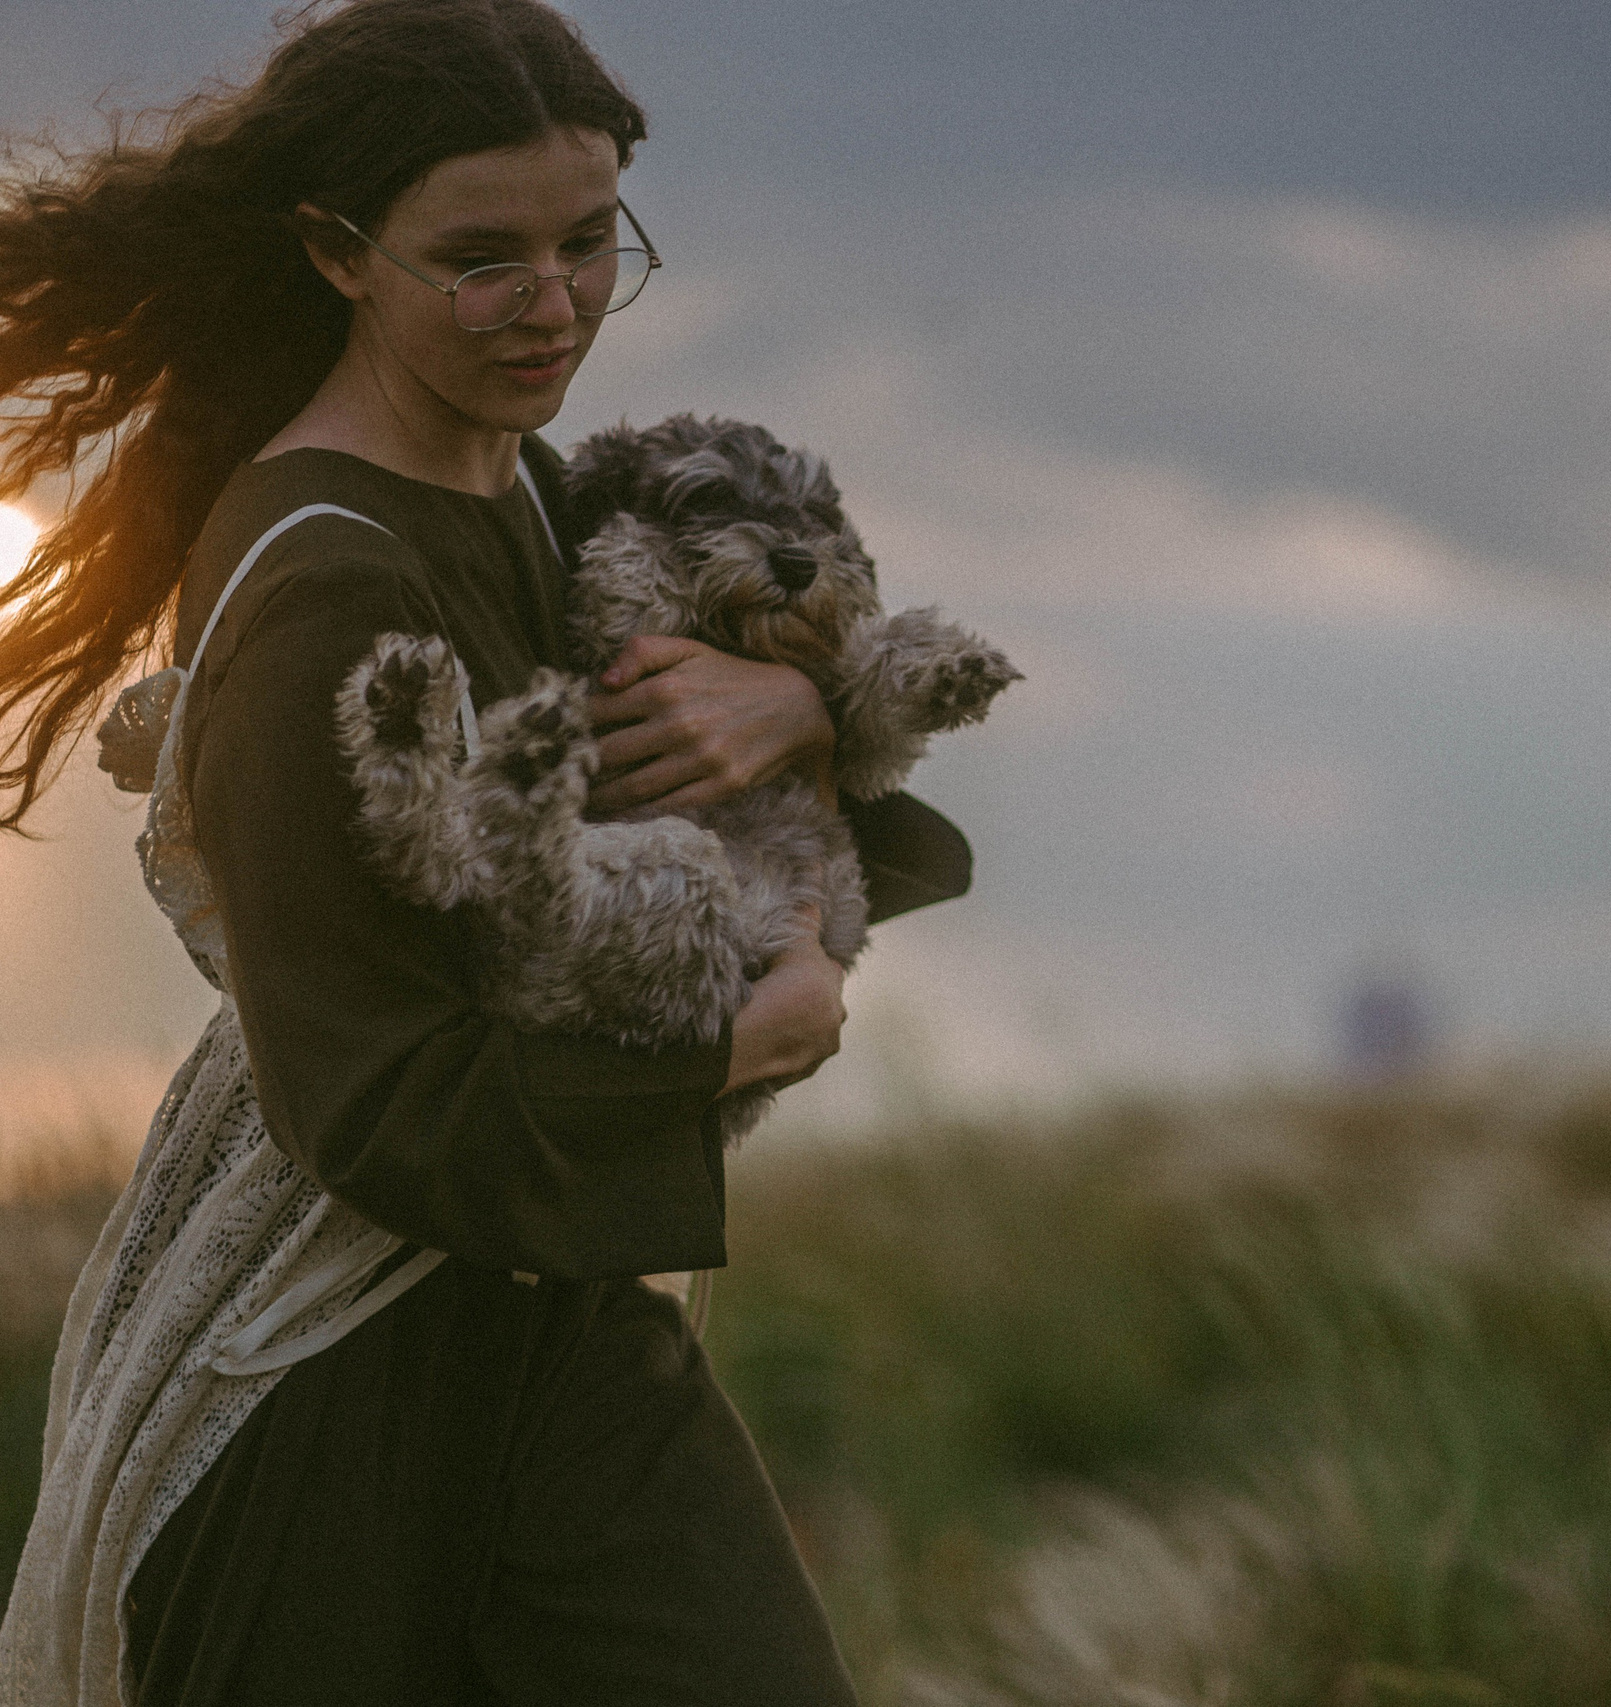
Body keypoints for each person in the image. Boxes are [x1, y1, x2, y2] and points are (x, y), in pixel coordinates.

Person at [0, 2, 930, 1699]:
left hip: (545, 1320)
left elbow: (716, 749)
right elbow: (372, 1105)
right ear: (335, 252)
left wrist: (799, 712)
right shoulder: (326, 588)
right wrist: (743, 1044)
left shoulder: (521, 490)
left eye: (589, 244)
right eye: (481, 259)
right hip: (321, 1371)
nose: (554, 302)